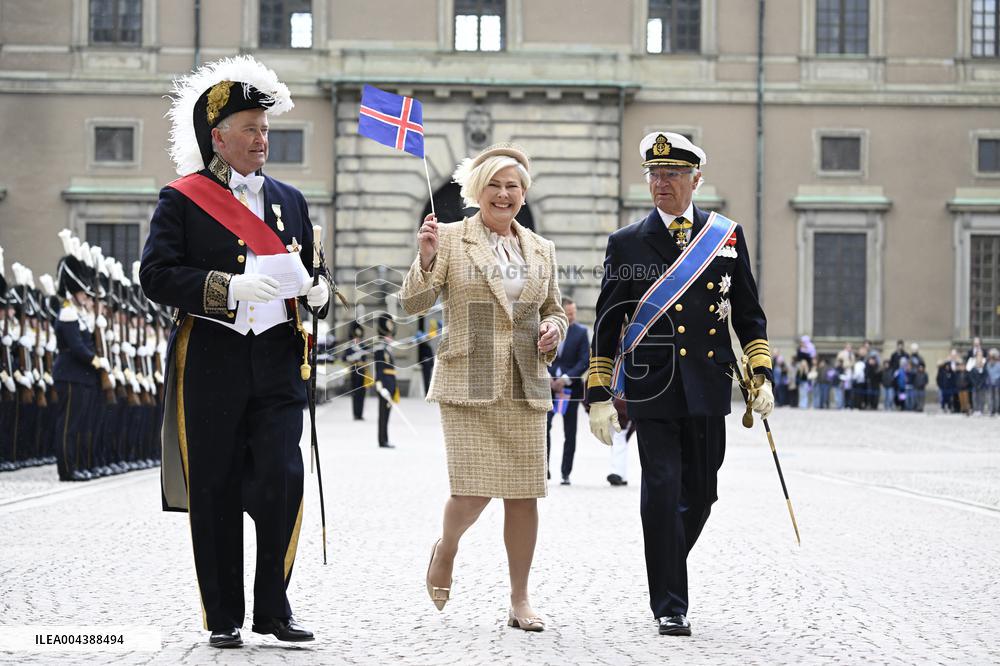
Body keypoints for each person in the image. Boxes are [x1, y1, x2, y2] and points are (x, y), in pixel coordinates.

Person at [139, 56, 330, 649]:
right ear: (218, 137)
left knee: (283, 478)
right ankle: (223, 614)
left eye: (265, 129)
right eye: (250, 129)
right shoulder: (182, 199)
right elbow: (156, 275)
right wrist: (226, 288)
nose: (262, 139)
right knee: (216, 485)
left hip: (277, 360)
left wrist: (321, 293)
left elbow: (317, 271)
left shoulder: (291, 200)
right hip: (213, 358)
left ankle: (273, 607)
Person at [586, 132, 773, 637]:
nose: (660, 183)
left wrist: (760, 373)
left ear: (696, 179)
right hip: (653, 386)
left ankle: (666, 561)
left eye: (672, 174)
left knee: (703, 493)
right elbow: (608, 321)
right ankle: (670, 603)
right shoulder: (627, 242)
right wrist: (599, 395)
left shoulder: (726, 237)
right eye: (654, 174)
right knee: (663, 489)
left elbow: (748, 313)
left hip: (709, 384)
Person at [398, 143, 566, 631]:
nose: (503, 194)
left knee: (523, 495)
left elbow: (553, 309)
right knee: (473, 492)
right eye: (494, 184)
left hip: (525, 382)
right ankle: (446, 548)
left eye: (512, 186)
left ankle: (520, 599)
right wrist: (425, 259)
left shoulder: (541, 248)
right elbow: (413, 304)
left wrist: (554, 330)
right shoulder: (449, 238)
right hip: (468, 381)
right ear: (477, 189)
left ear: (523, 194)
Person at [51, 248, 101, 482]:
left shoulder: (79, 313)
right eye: (81, 292)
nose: (85, 296)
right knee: (68, 426)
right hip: (70, 374)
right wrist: (94, 360)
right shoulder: (68, 312)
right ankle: (67, 469)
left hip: (81, 376)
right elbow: (76, 346)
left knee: (78, 425)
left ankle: (76, 465)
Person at [546, 296, 589, 485]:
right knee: (544, 427)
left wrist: (565, 379)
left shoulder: (581, 332)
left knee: (570, 432)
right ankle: (544, 470)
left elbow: (584, 361)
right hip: (548, 388)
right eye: (569, 313)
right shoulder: (547, 329)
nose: (572, 317)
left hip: (570, 389)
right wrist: (547, 376)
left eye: (574, 313)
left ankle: (566, 473)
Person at [373, 313, 398, 449]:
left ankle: (385, 439)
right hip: (384, 383)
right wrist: (379, 385)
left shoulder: (388, 347)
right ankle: (382, 440)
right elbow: (378, 367)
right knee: (383, 413)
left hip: (391, 382)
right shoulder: (379, 347)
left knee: (387, 412)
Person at [341, 320, 369, 420]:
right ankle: (355, 414)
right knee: (355, 393)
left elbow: (369, 353)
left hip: (362, 370)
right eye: (356, 337)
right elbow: (344, 358)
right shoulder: (349, 347)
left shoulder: (363, 346)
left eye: (359, 337)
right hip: (354, 370)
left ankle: (360, 414)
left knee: (362, 393)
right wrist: (352, 357)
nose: (358, 339)